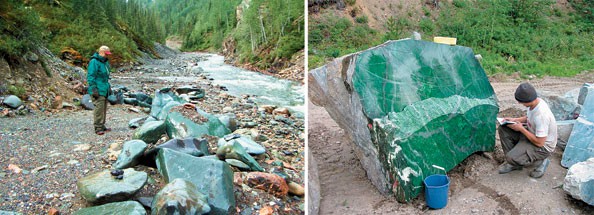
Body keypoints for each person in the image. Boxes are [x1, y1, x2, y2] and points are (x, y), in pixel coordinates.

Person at [498, 82, 557, 178]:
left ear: (528, 100)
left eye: (521, 101)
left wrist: (521, 129)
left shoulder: (542, 115)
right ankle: (514, 163)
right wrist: (515, 120)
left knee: (511, 157)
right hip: (532, 133)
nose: (519, 103)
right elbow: (529, 117)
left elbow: (540, 143)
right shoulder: (535, 103)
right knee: (503, 128)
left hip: (543, 147)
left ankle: (540, 161)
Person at [87, 45, 112, 135]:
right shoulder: (94, 62)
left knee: (104, 107)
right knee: (99, 108)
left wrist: (108, 87)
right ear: (101, 52)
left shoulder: (105, 62)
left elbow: (106, 77)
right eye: (106, 54)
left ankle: (102, 125)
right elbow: (91, 76)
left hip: (104, 88)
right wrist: (93, 88)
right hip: (98, 88)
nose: (107, 55)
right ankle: (98, 127)